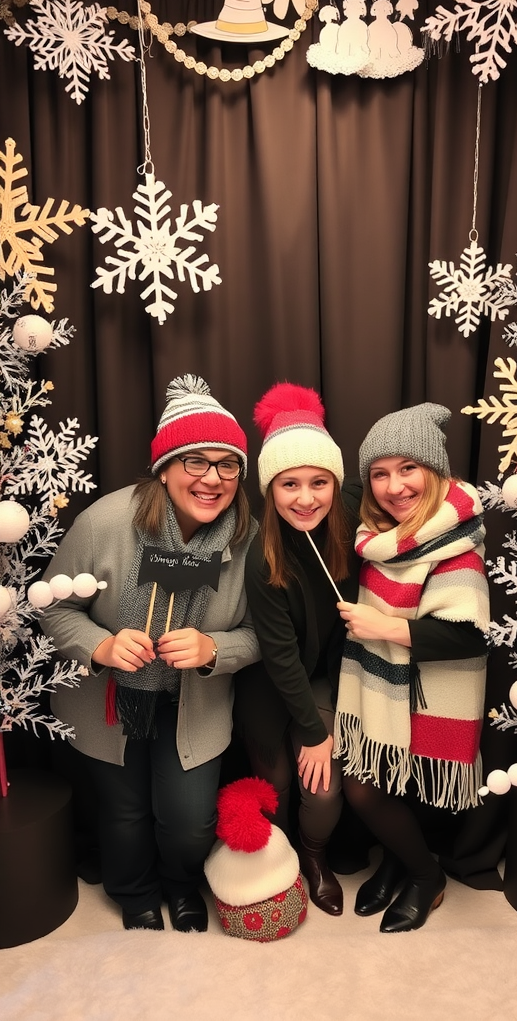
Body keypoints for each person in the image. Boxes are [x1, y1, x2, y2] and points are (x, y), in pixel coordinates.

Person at [40, 374, 260, 933]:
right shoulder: (104, 522)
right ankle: (134, 892)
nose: (212, 478)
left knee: (187, 820)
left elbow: (268, 634)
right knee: (124, 811)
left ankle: (182, 886)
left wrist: (216, 648)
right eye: (195, 462)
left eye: (227, 464)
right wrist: (102, 644)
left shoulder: (250, 539)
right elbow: (51, 609)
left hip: (195, 703)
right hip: (112, 700)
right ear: (164, 468)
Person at [335, 403, 490, 932]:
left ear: (435, 472)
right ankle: (401, 863)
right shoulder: (381, 541)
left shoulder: (454, 546)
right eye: (380, 473)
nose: (393, 486)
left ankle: (427, 876)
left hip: (429, 690)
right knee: (382, 784)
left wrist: (383, 628)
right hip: (389, 689)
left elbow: (466, 636)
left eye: (408, 469)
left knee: (371, 789)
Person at [234, 382, 361, 916]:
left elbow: (412, 485)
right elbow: (280, 657)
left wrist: (324, 728)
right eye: (289, 484)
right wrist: (311, 731)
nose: (305, 497)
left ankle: (314, 857)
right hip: (271, 682)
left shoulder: (353, 518)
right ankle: (277, 860)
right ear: (270, 489)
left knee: (326, 790)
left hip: (325, 678)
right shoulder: (264, 561)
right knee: (279, 784)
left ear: (335, 484)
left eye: (318, 482)